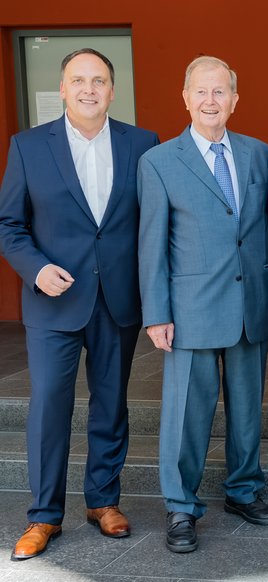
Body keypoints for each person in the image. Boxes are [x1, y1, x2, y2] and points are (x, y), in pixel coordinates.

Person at [0, 48, 158, 560]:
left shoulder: (142, 144)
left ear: (113, 90)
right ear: (63, 88)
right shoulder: (27, 146)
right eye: (78, 80)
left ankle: (103, 501)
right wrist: (36, 268)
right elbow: (10, 225)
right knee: (49, 407)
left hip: (117, 300)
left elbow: (152, 225)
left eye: (99, 81)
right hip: (53, 302)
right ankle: (44, 516)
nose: (89, 89)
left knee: (111, 406)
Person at [137, 55, 268, 553]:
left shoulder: (255, 153)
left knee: (247, 409)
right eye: (201, 92)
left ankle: (243, 491)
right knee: (187, 413)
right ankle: (181, 507)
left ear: (234, 100)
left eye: (220, 92)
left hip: (251, 303)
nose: (211, 101)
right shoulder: (159, 161)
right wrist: (157, 312)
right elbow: (152, 243)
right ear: (185, 99)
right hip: (190, 310)